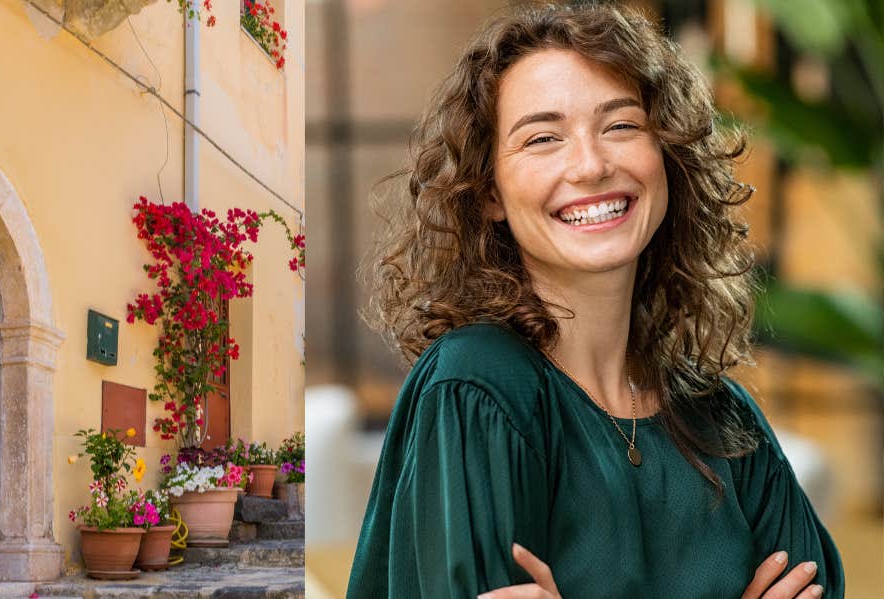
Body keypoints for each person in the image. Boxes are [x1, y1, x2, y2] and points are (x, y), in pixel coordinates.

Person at [347, 4, 844, 598]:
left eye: (621, 125)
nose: (590, 164)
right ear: (488, 194)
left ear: (667, 156)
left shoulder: (722, 418)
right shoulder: (477, 388)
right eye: (542, 138)